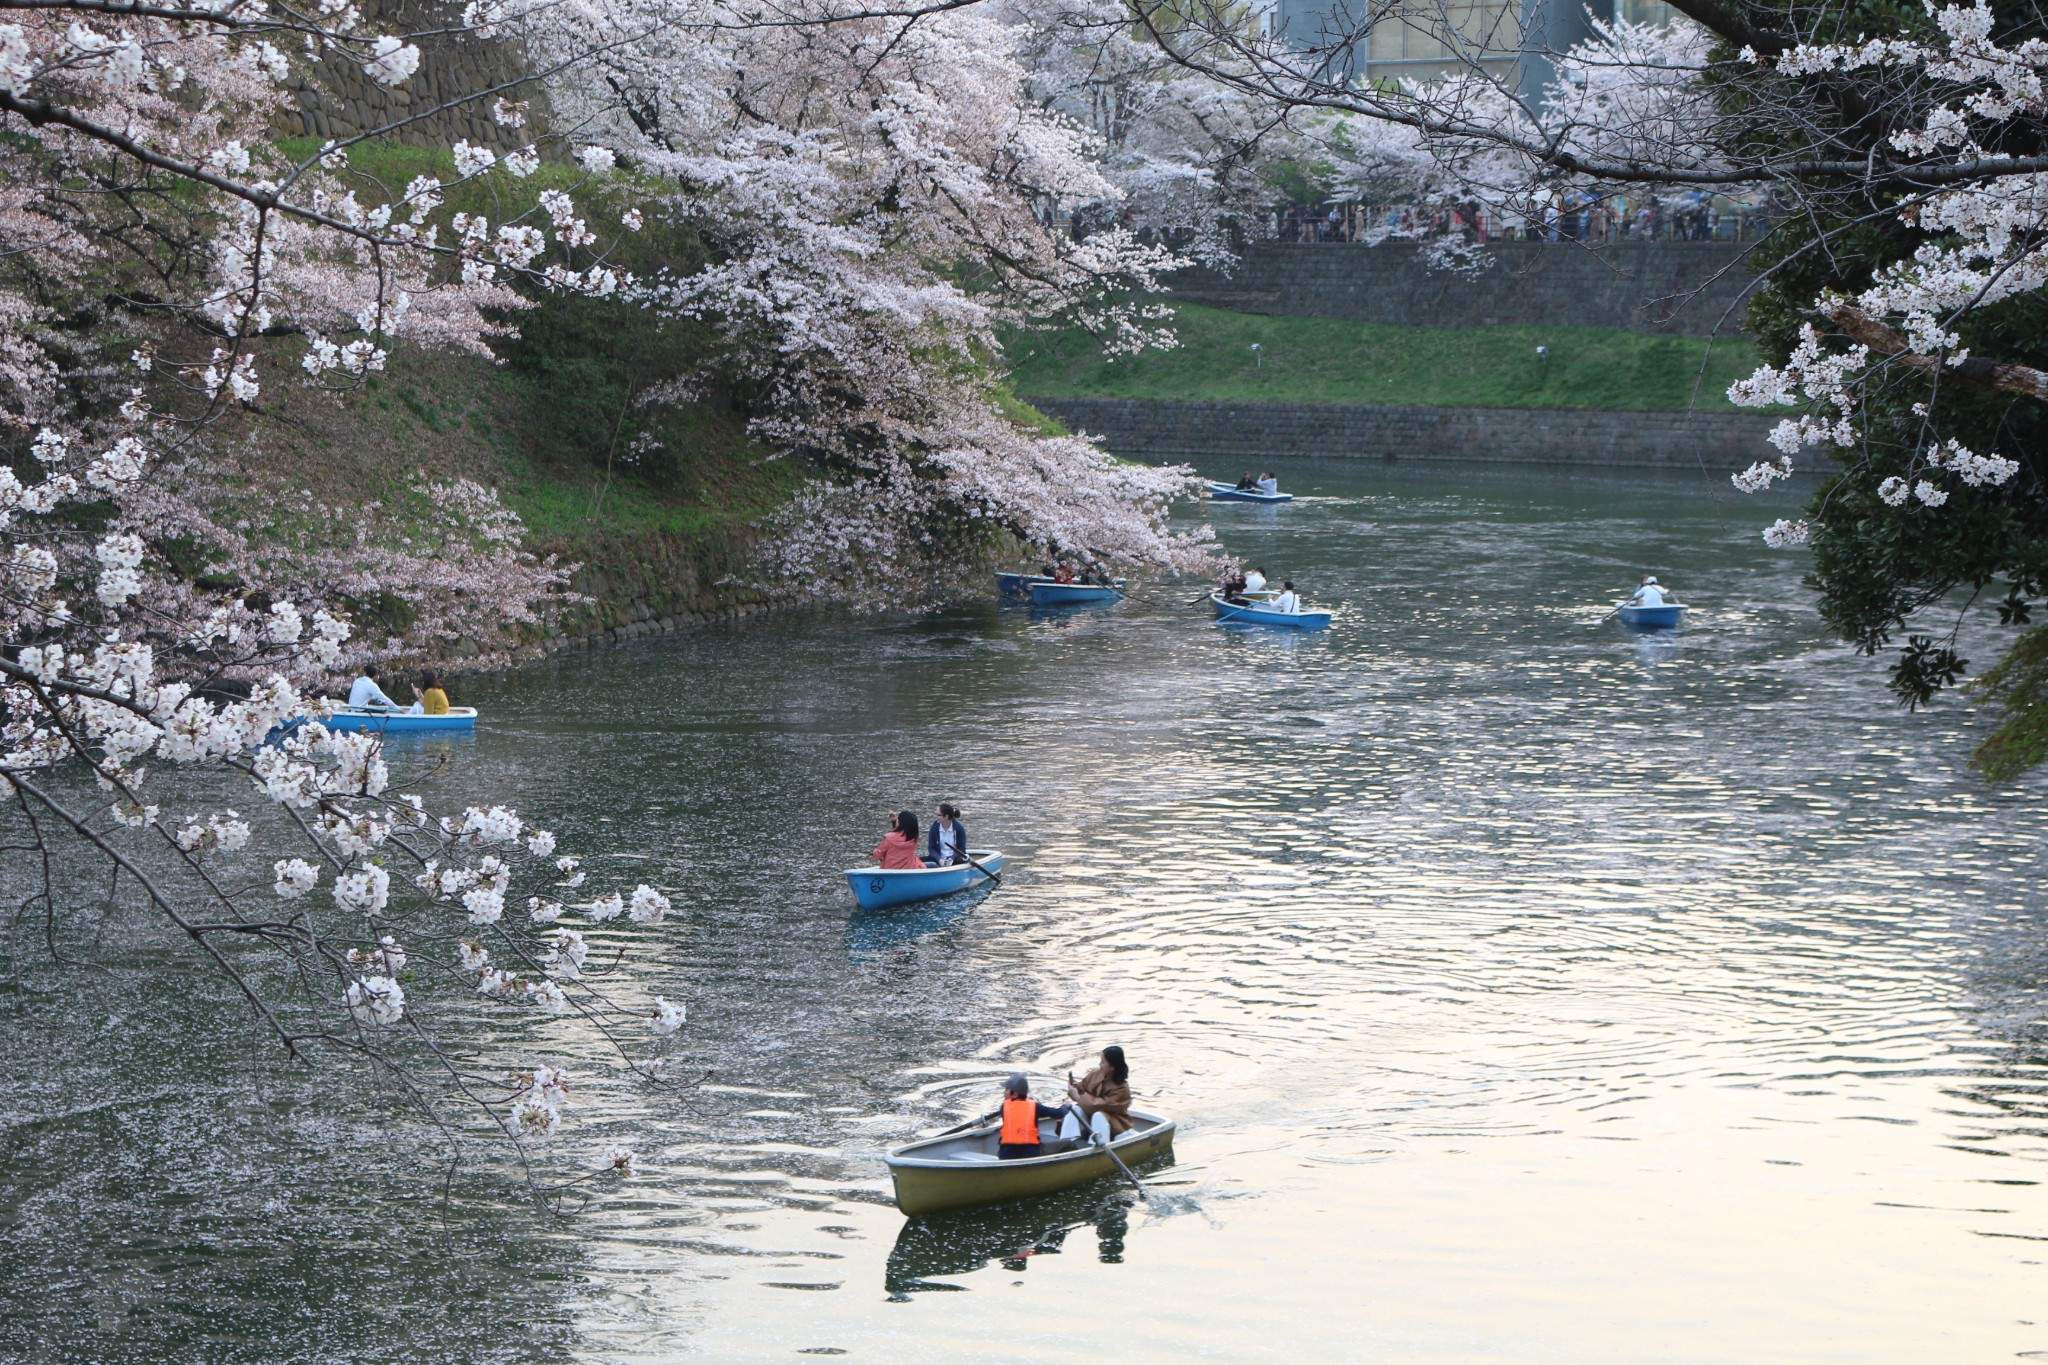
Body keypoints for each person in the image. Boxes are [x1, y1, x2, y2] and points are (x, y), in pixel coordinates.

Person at [1062, 1045, 1133, 1144]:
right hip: (1091, 1117)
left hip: (1114, 1123)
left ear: (1112, 1067)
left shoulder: (1122, 1088)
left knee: (1098, 1115)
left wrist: (1078, 1098)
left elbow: (1100, 1105)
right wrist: (1077, 1088)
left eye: (1103, 1062)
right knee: (1076, 1110)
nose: (1100, 1064)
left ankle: (1097, 1146)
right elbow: (1085, 1089)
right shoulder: (1095, 1074)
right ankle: (1066, 1142)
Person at [997, 1075, 1073, 1160]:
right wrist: (1065, 1105)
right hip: (1031, 1155)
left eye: (1006, 1089)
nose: (1004, 1093)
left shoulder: (1003, 1107)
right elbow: (1059, 1114)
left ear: (1015, 1094)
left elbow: (1018, 1109)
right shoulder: (1035, 1107)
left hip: (1006, 1156)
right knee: (1068, 1144)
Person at [927, 802, 968, 867]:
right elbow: (931, 848)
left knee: (964, 861)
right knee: (920, 861)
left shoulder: (959, 828)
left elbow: (962, 849)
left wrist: (952, 858)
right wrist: (939, 859)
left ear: (946, 816)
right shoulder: (934, 828)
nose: (936, 817)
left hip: (955, 859)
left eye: (938, 815)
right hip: (939, 859)